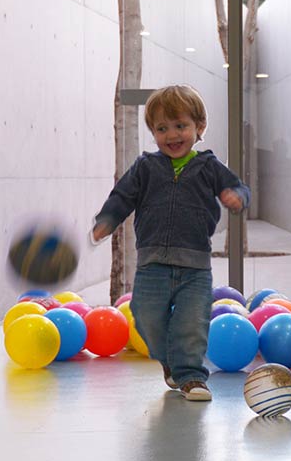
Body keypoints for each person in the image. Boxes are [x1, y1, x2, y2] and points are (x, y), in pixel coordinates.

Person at [91, 85, 250, 401]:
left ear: (199, 127)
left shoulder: (208, 166)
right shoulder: (145, 167)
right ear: (153, 132)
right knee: (146, 316)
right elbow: (122, 196)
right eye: (162, 129)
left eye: (180, 126)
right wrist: (107, 219)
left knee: (192, 323)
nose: (172, 135)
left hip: (195, 266)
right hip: (153, 264)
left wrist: (236, 196)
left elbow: (239, 187)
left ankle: (192, 377)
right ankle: (171, 363)